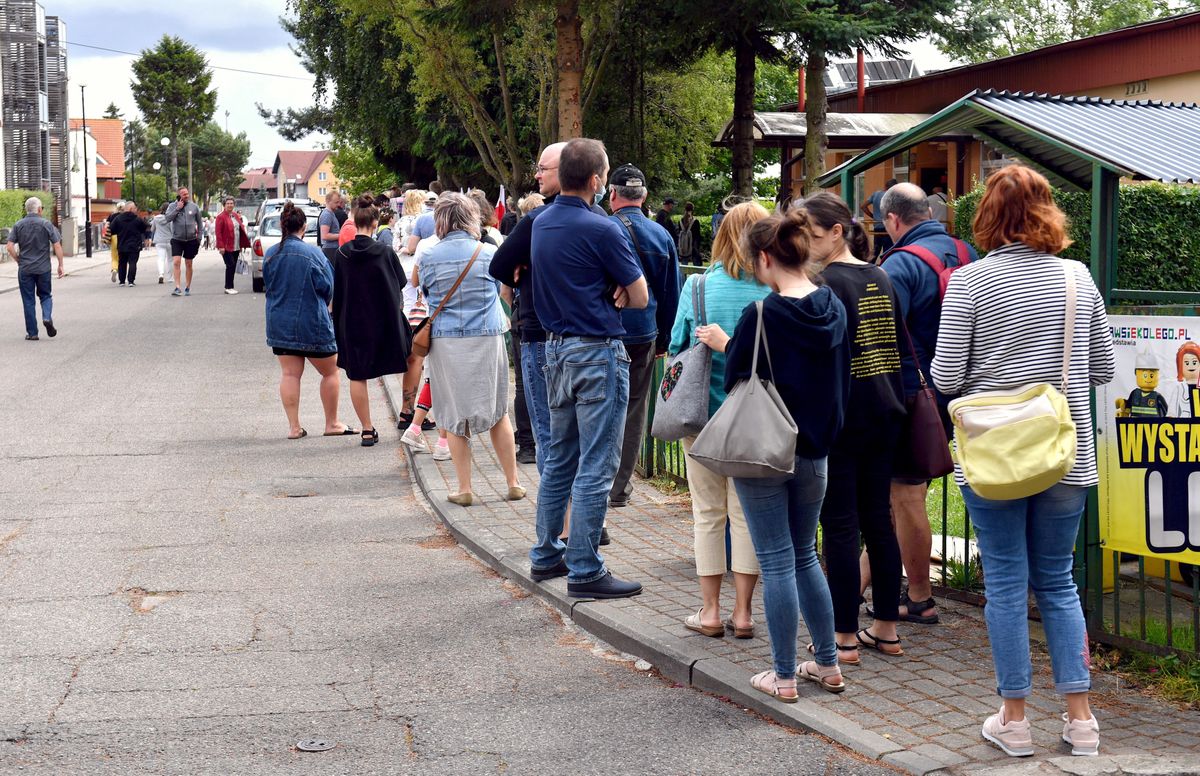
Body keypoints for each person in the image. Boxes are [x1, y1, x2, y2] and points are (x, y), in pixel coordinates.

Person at [932, 165, 1114, 758]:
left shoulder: (969, 282)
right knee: (1058, 583)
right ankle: (1081, 720)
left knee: (1007, 586)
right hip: (1066, 456)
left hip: (994, 458)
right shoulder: (1077, 278)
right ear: (1047, 211)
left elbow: (944, 376)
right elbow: (1103, 372)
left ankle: (1014, 720)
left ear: (987, 214)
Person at [698, 209, 850, 702]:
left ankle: (783, 674)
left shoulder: (763, 314)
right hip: (816, 452)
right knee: (806, 554)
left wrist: (728, 344)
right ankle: (827, 663)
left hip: (765, 451)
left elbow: (738, 375)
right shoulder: (832, 306)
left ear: (765, 258)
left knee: (777, 561)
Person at [527, 138, 649, 600]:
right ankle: (584, 567)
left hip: (555, 350)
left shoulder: (541, 222)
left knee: (560, 457)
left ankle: (546, 554)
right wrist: (618, 287)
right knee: (598, 463)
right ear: (597, 181)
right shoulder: (603, 228)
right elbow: (639, 296)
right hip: (597, 351)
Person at [800, 191, 907, 664]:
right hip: (885, 411)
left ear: (838, 232)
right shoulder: (880, 276)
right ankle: (886, 628)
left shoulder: (825, 284)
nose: (804, 243)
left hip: (842, 418)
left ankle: (843, 635)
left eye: (812, 234)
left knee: (840, 528)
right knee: (879, 524)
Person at [876, 181, 978, 626]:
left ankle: (919, 595)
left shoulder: (901, 264)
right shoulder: (967, 251)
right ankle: (884, 585)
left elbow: (877, 333)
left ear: (893, 220)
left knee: (906, 495)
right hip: (960, 393)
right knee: (909, 495)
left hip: (909, 394)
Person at [668, 201, 769, 642]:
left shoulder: (698, 286)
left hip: (702, 419)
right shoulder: (774, 290)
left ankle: (709, 612)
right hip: (754, 420)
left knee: (707, 515)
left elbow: (676, 345)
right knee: (746, 517)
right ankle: (744, 613)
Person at [417, 192, 525, 505]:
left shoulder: (428, 257)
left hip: (447, 340)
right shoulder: (489, 254)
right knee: (497, 411)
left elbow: (427, 294)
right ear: (472, 218)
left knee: (453, 415)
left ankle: (464, 488)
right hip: (488, 337)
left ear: (440, 220)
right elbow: (499, 290)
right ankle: (513, 481)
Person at [606, 163, 681, 509]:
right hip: (644, 333)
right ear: (645, 196)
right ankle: (620, 488)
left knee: (601, 407)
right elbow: (671, 294)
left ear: (612, 194)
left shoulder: (603, 229)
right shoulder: (661, 235)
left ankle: (597, 482)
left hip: (605, 331)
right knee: (635, 408)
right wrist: (665, 339)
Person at [262, 202, 356, 440]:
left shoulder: (271, 254)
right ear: (304, 227)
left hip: (279, 322)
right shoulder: (314, 254)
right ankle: (332, 423)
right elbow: (328, 288)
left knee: (290, 374)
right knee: (330, 371)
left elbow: (268, 285)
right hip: (311, 321)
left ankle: (294, 427)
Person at [332, 196, 412, 446]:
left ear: (354, 222)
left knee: (357, 375)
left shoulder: (343, 253)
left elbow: (339, 287)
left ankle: (367, 428)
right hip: (383, 321)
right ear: (376, 222)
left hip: (352, 321)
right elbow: (401, 282)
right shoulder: (385, 252)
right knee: (409, 360)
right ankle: (409, 412)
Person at [6, 196, 63, 341]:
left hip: (25, 268)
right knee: (45, 295)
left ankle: (32, 333)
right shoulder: (46, 224)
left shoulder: (19, 225)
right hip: (43, 268)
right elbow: (57, 245)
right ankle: (46, 317)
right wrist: (60, 264)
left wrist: (18, 259)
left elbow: (9, 246)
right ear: (39, 209)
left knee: (28, 300)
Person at [163, 187, 204, 297]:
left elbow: (200, 224)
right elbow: (167, 218)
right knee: (176, 262)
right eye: (184, 194)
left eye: (187, 194)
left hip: (191, 240)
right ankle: (177, 287)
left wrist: (199, 237)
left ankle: (187, 287)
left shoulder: (194, 207)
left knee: (189, 263)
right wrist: (177, 209)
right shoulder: (172, 206)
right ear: (179, 195)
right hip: (177, 239)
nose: (186, 196)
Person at [215, 196, 251, 295]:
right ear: (224, 205)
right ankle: (228, 287)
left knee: (233, 266)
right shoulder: (220, 217)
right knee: (230, 265)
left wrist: (241, 244)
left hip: (236, 245)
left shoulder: (235, 215)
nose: (230, 205)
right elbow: (218, 233)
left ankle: (231, 286)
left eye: (231, 203)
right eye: (228, 203)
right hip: (226, 246)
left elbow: (240, 230)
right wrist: (221, 246)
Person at [108, 201, 149, 287]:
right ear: (130, 209)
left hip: (122, 244)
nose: (136, 210)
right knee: (132, 262)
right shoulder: (137, 219)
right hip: (134, 245)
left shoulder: (118, 218)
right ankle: (131, 281)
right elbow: (145, 227)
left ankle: (122, 281)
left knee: (122, 263)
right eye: (135, 208)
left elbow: (112, 229)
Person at [861, 178, 897, 262]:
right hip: (888, 228)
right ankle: (884, 271)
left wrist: (873, 216)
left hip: (877, 226)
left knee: (875, 251)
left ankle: (869, 270)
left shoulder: (876, 194)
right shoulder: (892, 197)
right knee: (887, 252)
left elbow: (863, 206)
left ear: (885, 186)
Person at [151, 204, 173, 284]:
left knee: (161, 259)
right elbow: (172, 230)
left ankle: (161, 274)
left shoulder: (156, 218)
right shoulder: (170, 219)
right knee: (170, 260)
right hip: (169, 240)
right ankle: (170, 278)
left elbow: (152, 229)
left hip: (159, 241)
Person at [319, 190, 343, 262]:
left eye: (339, 202)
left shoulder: (331, 213)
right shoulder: (327, 215)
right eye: (336, 202)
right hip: (330, 250)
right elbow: (325, 236)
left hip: (332, 249)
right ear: (328, 201)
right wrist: (342, 235)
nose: (338, 205)